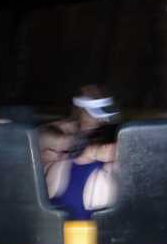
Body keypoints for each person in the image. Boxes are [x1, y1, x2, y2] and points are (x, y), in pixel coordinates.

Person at [44, 86, 119, 220]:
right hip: (65, 204)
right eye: (96, 115)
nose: (102, 120)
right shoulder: (60, 133)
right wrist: (91, 152)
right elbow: (46, 142)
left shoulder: (110, 135)